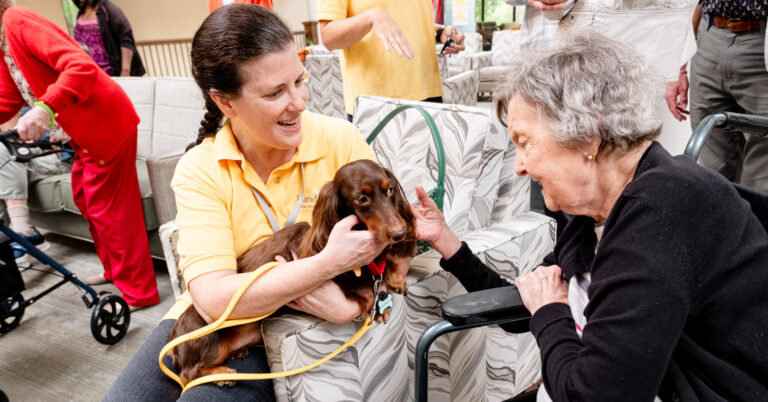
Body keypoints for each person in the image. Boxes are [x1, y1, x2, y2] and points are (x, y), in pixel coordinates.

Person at [413, 32, 768, 401]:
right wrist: (448, 243)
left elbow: (592, 390)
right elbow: (528, 305)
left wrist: (551, 310)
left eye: (524, 142)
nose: (518, 166)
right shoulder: (591, 218)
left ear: (588, 135)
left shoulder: (659, 211)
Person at [104, 5, 389, 400]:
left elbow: (391, 244)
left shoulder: (340, 140)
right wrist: (325, 265)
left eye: (299, 81)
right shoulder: (200, 168)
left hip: (283, 326)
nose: (300, 103)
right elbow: (214, 300)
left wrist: (351, 309)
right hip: (209, 323)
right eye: (275, 92)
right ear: (225, 102)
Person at [0, 1, 159, 308]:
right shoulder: (3, 40)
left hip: (104, 123)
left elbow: (80, 65)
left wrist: (45, 109)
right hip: (79, 134)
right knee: (86, 198)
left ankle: (140, 292)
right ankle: (115, 271)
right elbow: (7, 97)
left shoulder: (17, 20)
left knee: (111, 211)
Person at [317, 0, 466, 120]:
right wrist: (370, 18)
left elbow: (405, 20)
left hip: (428, 93)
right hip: (375, 103)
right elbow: (328, 36)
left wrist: (440, 32)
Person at [678, 2, 768, 192]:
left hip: (760, 41)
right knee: (712, 169)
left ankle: (757, 220)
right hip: (709, 34)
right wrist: (679, 64)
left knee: (762, 173)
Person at [0, 108, 71, 268]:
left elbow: (15, 137)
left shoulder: (33, 100)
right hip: (26, 157)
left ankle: (24, 232)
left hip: (56, 156)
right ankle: (8, 237)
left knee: (2, 149)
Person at [73, 0, 145, 77]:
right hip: (94, 75)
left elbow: (126, 38)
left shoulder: (108, 9)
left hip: (113, 74)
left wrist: (125, 72)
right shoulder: (81, 12)